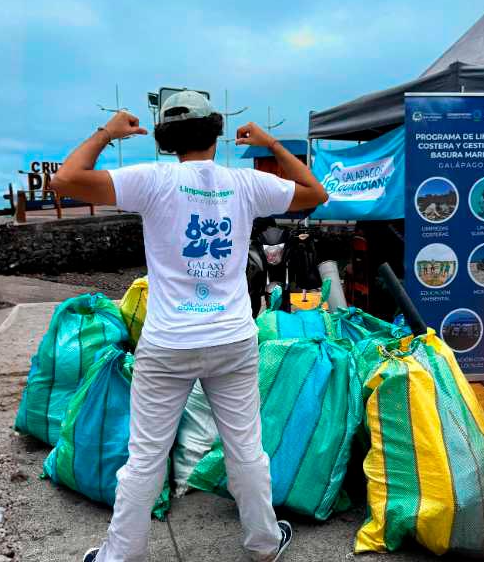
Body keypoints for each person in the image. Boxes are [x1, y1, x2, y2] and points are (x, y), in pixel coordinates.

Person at [50, 90, 328, 562]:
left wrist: (108, 132)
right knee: (246, 448)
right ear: (216, 133)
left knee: (145, 458)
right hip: (232, 339)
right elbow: (315, 194)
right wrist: (272, 144)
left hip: (168, 343)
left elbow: (66, 180)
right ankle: (263, 542)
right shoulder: (244, 184)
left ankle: (121, 557)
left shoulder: (153, 180)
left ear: (165, 140)